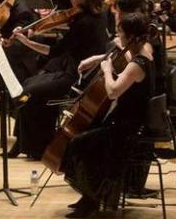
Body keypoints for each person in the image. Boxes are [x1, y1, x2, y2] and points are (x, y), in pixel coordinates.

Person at [61, 13, 154, 217]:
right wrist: (99, 58)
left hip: (127, 128)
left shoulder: (137, 65)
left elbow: (113, 91)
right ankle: (90, 196)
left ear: (130, 37)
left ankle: (92, 199)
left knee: (79, 143)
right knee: (87, 136)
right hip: (127, 121)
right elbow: (124, 56)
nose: (117, 38)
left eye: (119, 34)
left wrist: (107, 69)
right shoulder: (145, 52)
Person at [11, 0, 109, 159]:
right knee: (30, 83)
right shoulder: (97, 14)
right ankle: (25, 141)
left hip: (77, 78)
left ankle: (36, 146)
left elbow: (54, 51)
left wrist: (25, 41)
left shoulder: (84, 22)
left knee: (29, 92)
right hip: (74, 70)